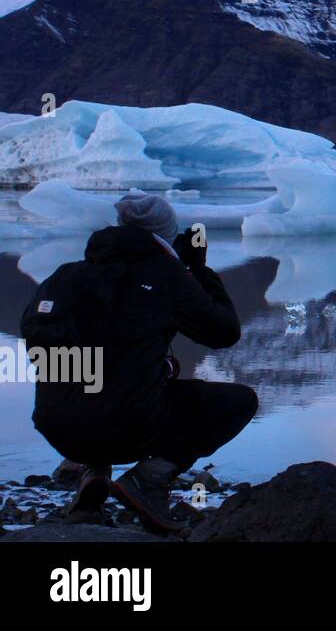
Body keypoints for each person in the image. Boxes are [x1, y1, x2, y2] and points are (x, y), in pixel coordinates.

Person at [22, 192, 258, 533]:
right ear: (167, 234)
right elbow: (223, 332)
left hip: (56, 428)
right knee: (238, 402)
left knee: (99, 379)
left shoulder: (65, 276)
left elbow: (36, 340)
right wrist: (197, 269)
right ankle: (147, 480)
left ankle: (93, 475)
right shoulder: (166, 276)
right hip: (126, 428)